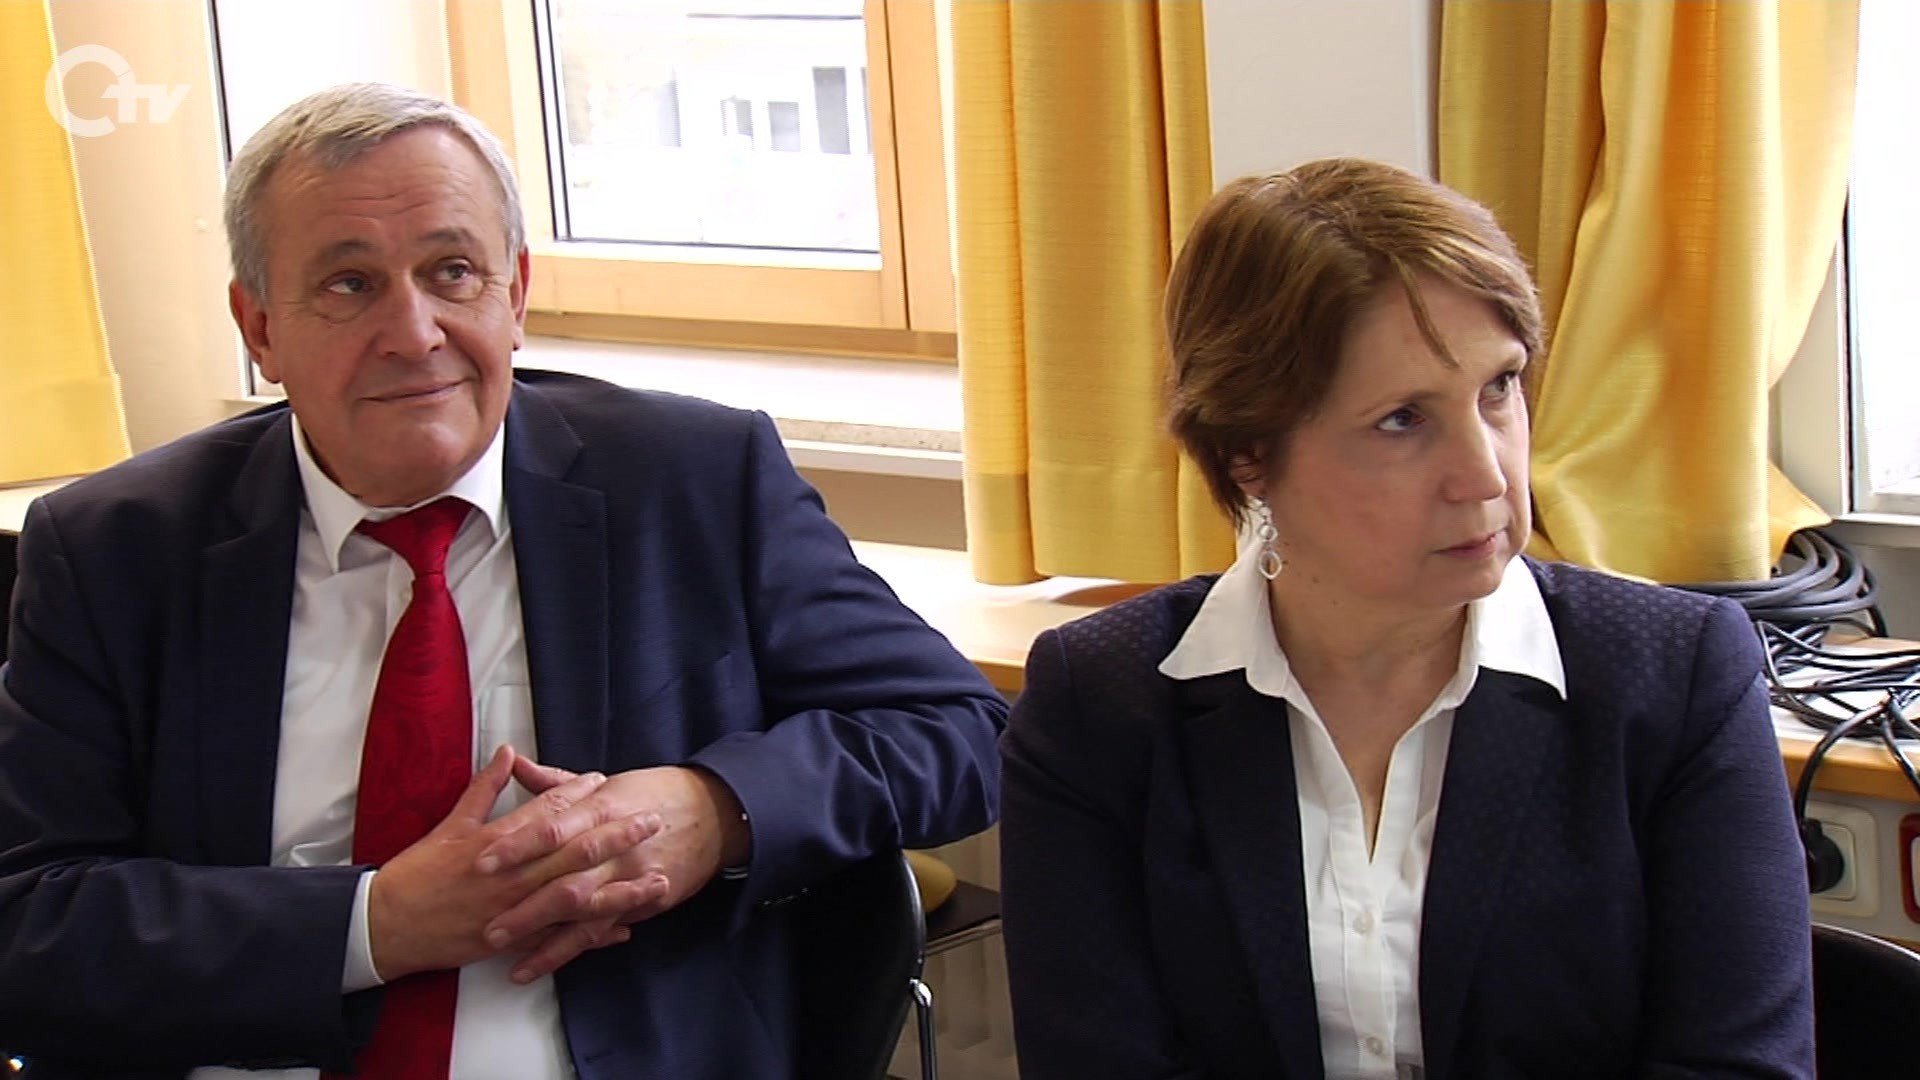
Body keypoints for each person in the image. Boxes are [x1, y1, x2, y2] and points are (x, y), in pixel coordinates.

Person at [0, 82, 1005, 1079]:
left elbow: (959, 729)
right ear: (258, 327)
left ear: (514, 292)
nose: (414, 332)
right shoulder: (114, 550)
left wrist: (716, 808)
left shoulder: (693, 482)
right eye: (349, 284)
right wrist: (374, 924)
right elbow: (26, 916)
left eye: (452, 272)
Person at [998, 158, 1814, 1079]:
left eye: (1499, 388)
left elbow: (1740, 1065)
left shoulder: (1675, 675)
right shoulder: (1099, 705)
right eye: (1402, 420)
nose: (1486, 474)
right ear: (1247, 452)